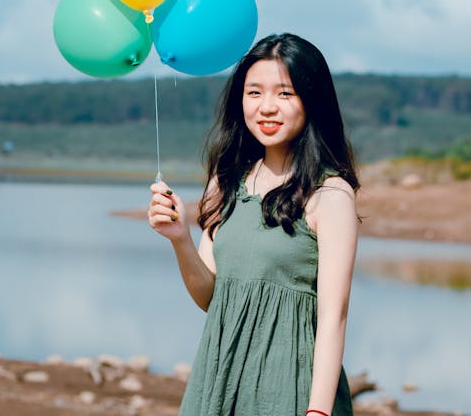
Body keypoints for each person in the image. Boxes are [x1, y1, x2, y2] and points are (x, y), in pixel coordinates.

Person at [148, 33, 360, 416]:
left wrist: (318, 412)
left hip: (291, 388)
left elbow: (334, 316)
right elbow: (210, 298)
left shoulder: (330, 195)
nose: (267, 108)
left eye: (285, 94)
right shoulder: (224, 182)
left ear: (312, 102)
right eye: (254, 93)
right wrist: (179, 239)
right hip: (219, 380)